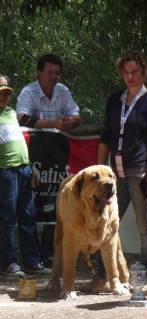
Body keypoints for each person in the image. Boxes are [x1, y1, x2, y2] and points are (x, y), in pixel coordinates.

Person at [85, 50, 147, 293]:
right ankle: (103, 275)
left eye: (135, 72)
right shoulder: (114, 100)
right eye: (126, 72)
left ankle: (144, 277)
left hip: (140, 172)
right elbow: (106, 135)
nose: (130, 77)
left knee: (145, 225)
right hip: (112, 174)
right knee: (105, 222)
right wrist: (100, 170)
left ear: (144, 73)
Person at [16, 54, 81, 267]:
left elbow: (76, 114)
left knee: (56, 202)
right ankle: (32, 258)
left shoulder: (63, 91)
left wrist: (71, 120)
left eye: (57, 73)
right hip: (33, 160)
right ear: (39, 72)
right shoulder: (28, 92)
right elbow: (22, 118)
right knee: (32, 205)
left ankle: (49, 254)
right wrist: (52, 123)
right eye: (50, 72)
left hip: (57, 159)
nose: (54, 76)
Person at [0, 74, 51, 276]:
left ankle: (32, 262)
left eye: (6, 93)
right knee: (7, 220)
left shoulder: (12, 112)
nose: (4, 96)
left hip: (24, 169)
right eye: (1, 93)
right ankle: (8, 264)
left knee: (28, 217)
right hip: (5, 171)